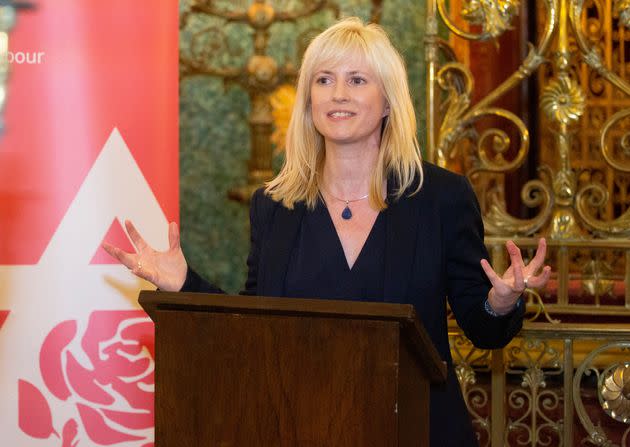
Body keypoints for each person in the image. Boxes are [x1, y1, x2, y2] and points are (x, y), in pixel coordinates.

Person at [104, 17, 551, 446]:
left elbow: (484, 330)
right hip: (298, 427)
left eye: (357, 80)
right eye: (323, 80)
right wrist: (184, 284)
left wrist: (500, 301)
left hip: (416, 428)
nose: (338, 94)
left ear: (389, 100)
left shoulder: (440, 197)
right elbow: (251, 327)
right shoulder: (275, 205)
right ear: (308, 100)